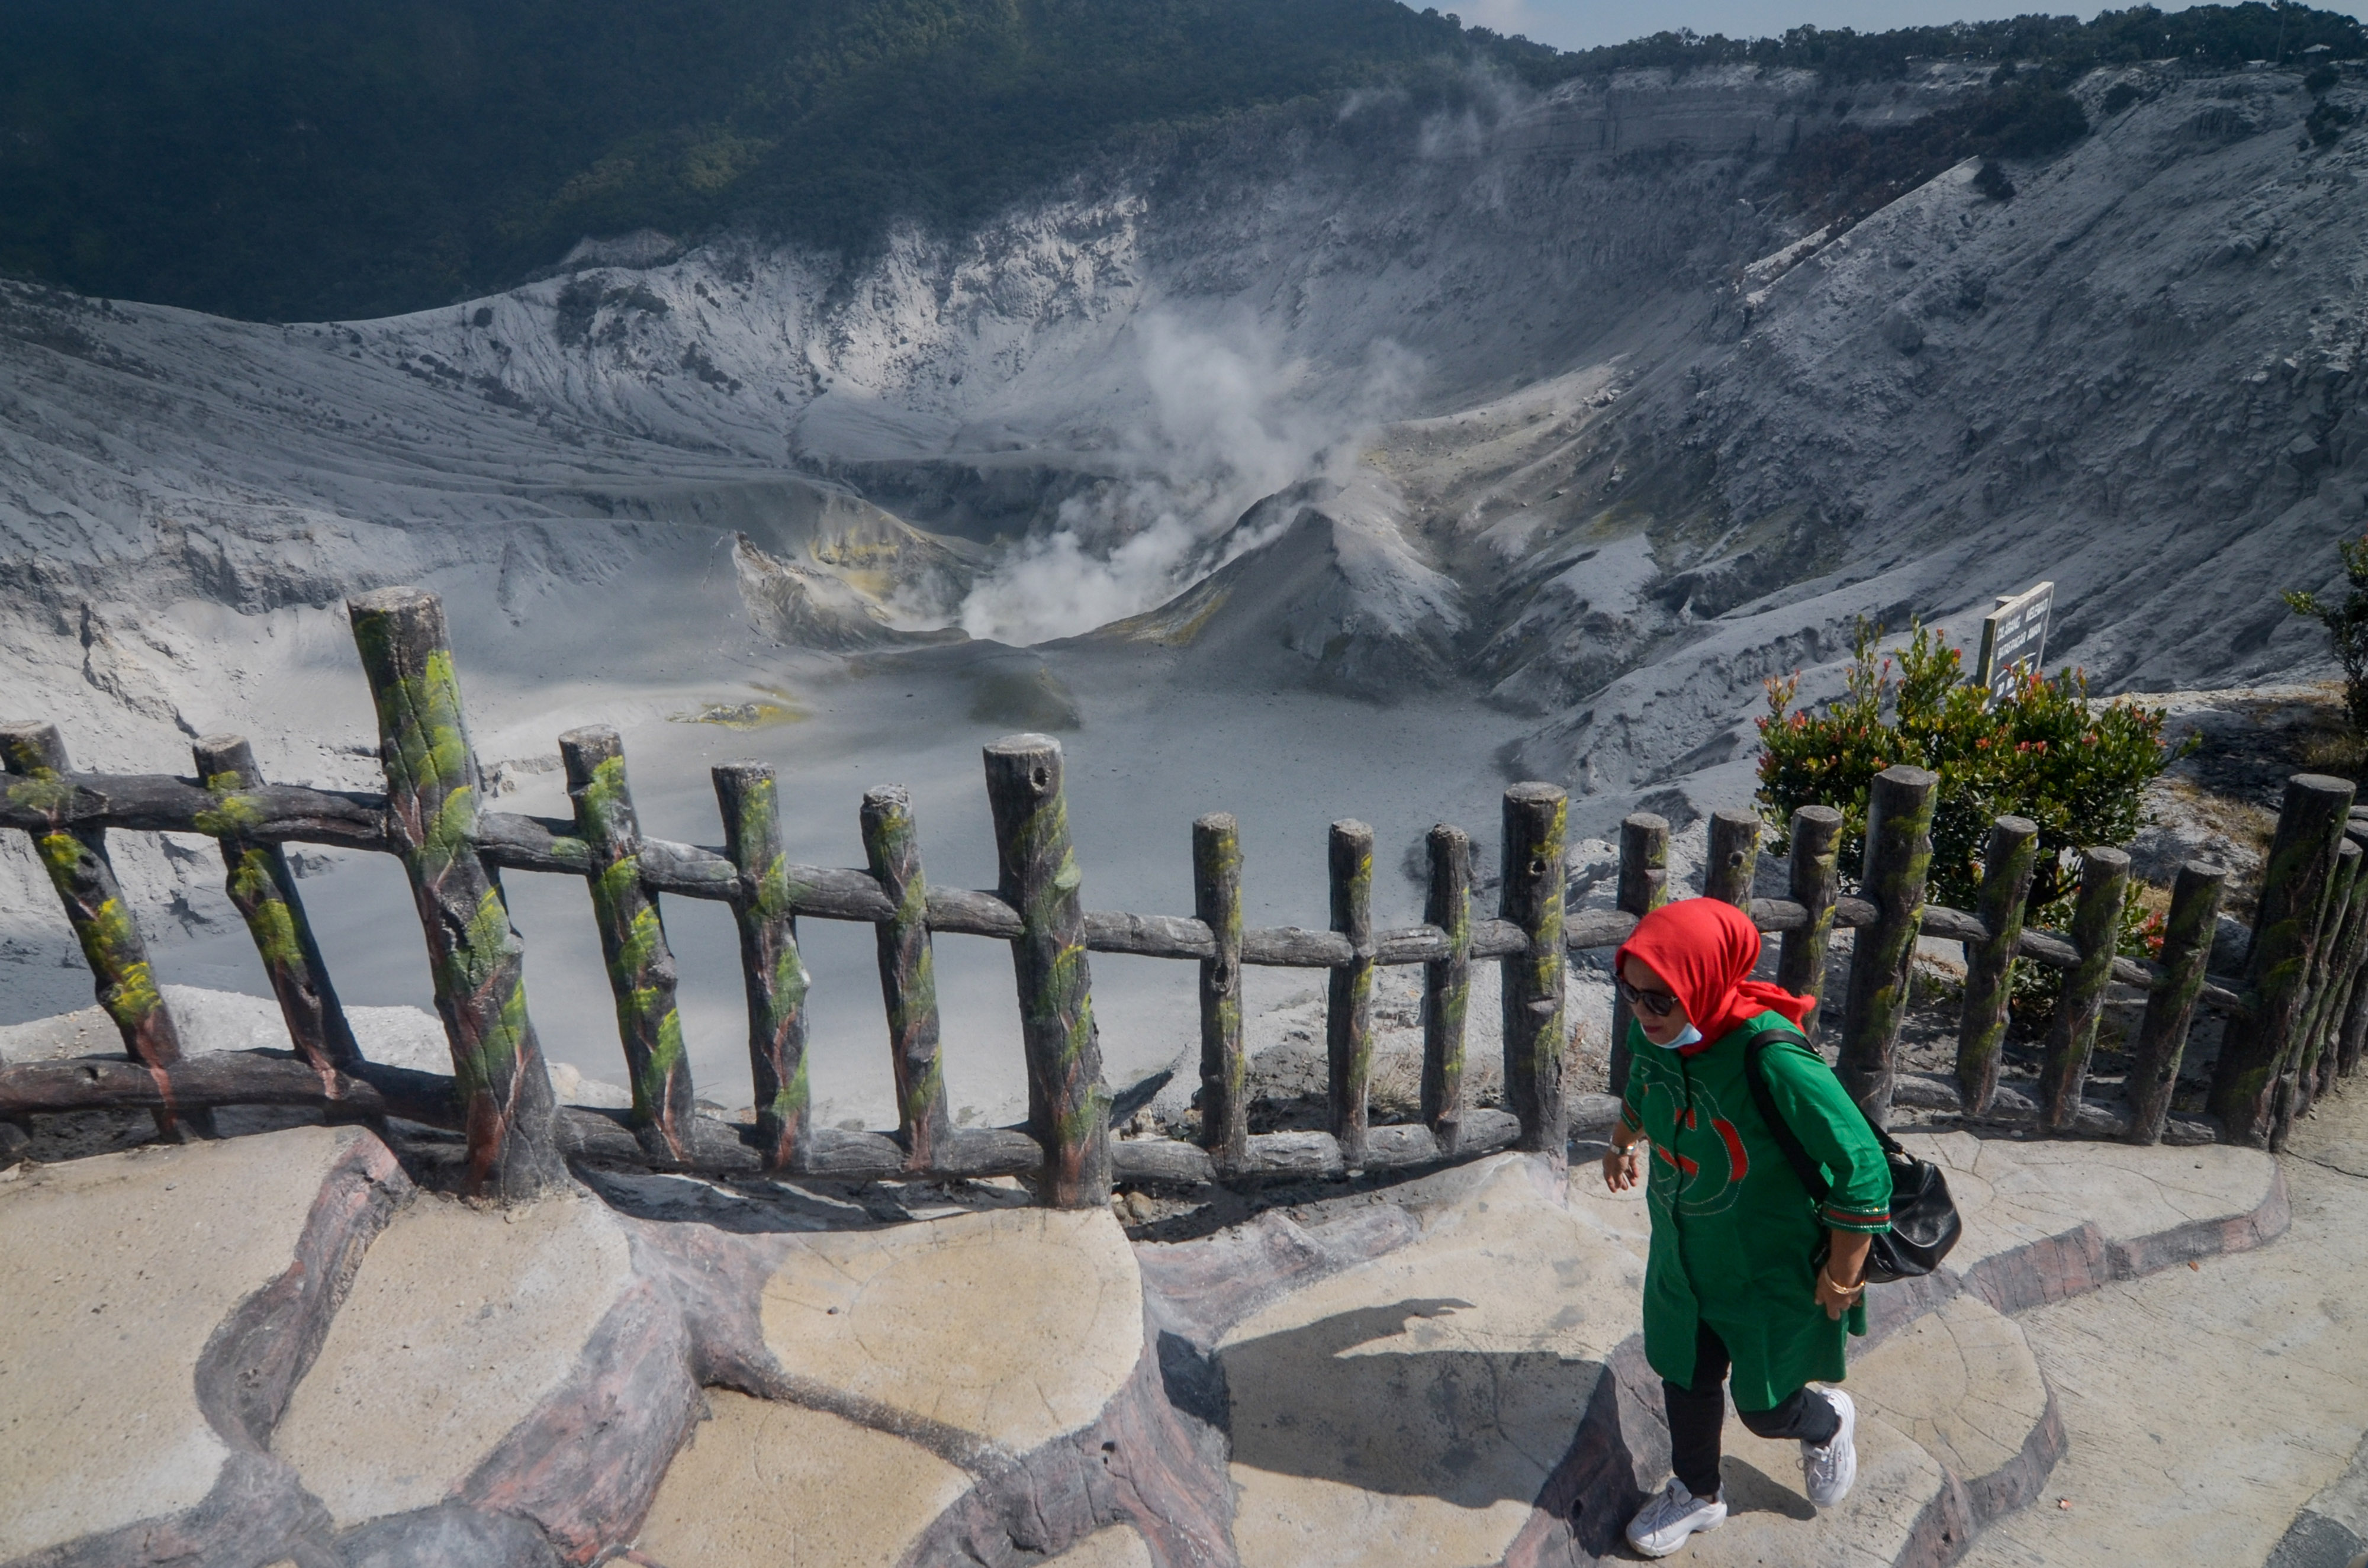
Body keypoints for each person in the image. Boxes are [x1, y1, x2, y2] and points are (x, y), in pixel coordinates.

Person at [1600, 896, 1894, 1558]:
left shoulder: (1771, 1056)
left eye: (1658, 1000)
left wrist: (1843, 1275)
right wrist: (1622, 1141)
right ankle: (1697, 1493)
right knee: (1685, 1376)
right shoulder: (1657, 1034)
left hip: (1767, 1268)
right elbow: (1643, 1080)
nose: (1642, 1014)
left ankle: (1823, 1422)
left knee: (1764, 1410)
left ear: (1704, 984)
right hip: (1683, 1256)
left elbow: (1863, 1168)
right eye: (1632, 994)